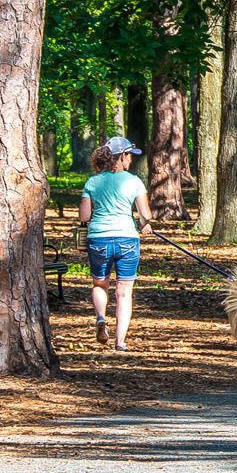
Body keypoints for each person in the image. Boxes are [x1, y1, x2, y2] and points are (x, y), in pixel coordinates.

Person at [79, 136, 151, 351]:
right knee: (124, 291)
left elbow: (84, 216)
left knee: (99, 284)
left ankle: (101, 318)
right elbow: (145, 214)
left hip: (98, 238)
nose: (130, 160)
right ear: (122, 156)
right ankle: (120, 342)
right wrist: (144, 224)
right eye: (129, 156)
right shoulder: (134, 181)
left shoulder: (93, 182)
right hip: (127, 238)